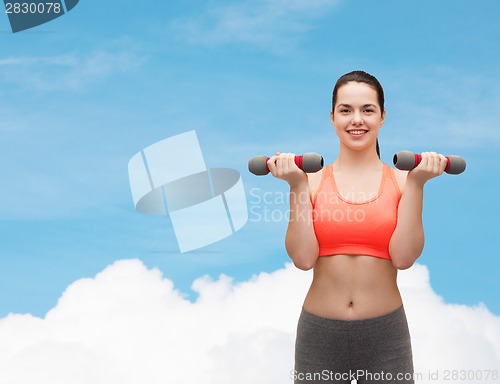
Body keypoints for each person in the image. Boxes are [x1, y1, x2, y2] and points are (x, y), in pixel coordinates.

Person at [266, 70, 448, 384]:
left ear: (382, 116)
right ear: (332, 116)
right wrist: (295, 185)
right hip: (320, 334)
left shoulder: (404, 181)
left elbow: (404, 258)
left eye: (367, 110)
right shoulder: (310, 181)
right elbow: (303, 259)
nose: (356, 120)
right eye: (346, 110)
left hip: (385, 335)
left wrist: (418, 183)